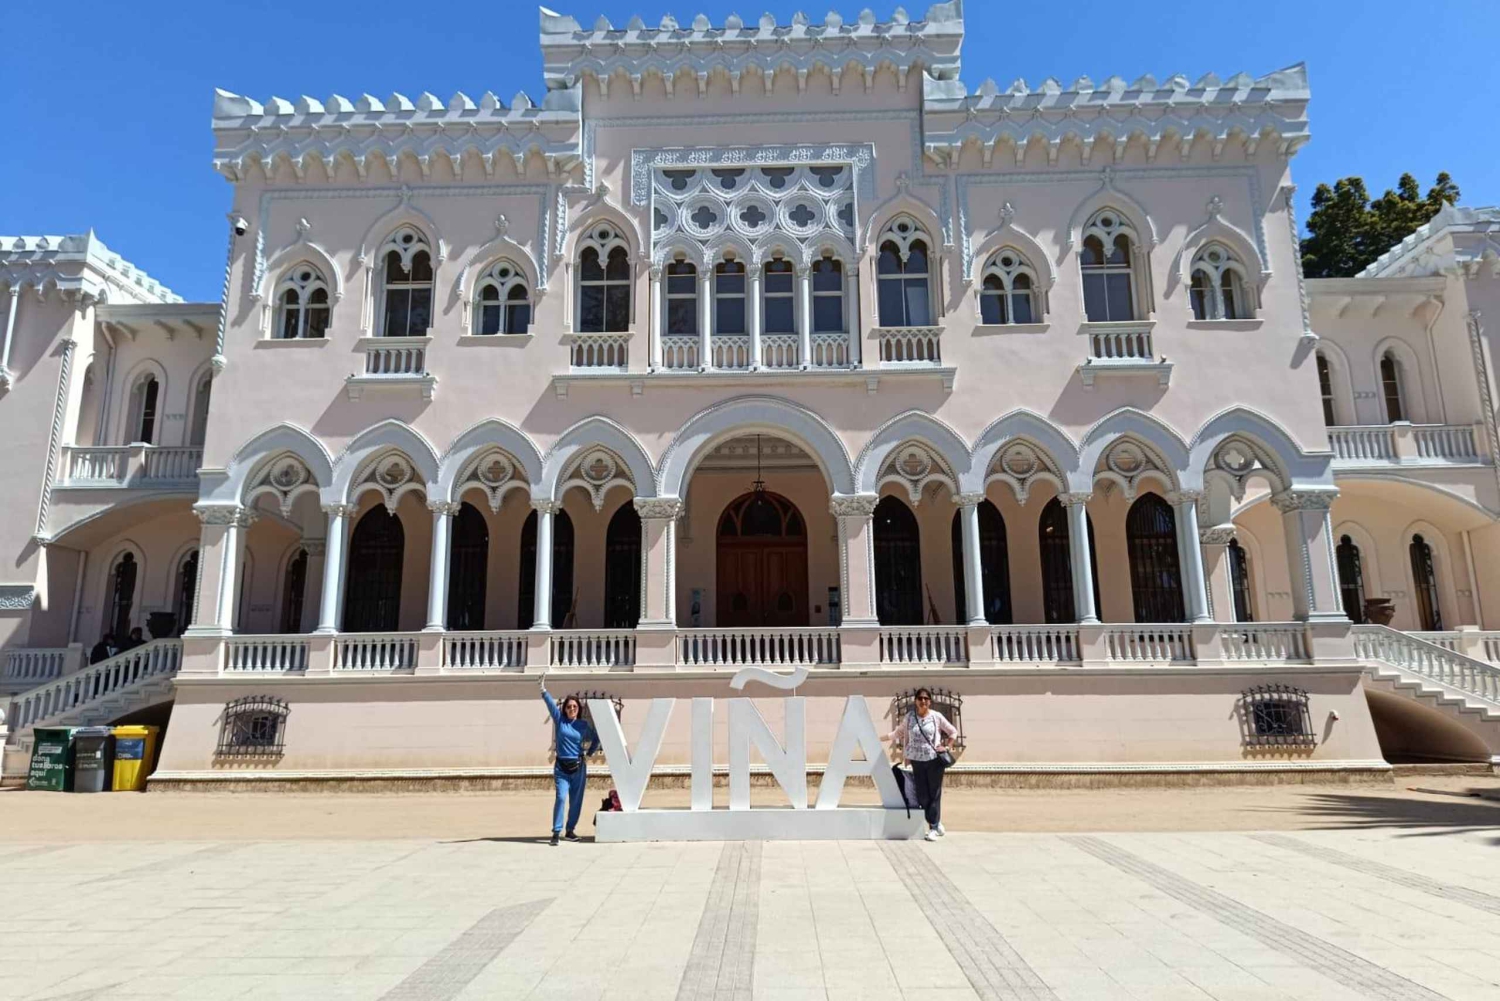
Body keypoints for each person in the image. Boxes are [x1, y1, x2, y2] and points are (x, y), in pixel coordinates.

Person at [883, 687, 957, 841]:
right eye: (920, 698)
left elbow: (952, 732)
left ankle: (933, 827)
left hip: (934, 761)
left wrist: (947, 746)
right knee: (922, 795)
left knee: (934, 794)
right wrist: (880, 738)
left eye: (926, 698)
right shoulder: (910, 717)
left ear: (929, 701)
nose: (923, 701)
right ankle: (936, 821)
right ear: (915, 701)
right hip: (917, 761)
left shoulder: (936, 716)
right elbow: (898, 733)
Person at [539, 673, 599, 846]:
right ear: (565, 709)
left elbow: (596, 738)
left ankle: (570, 830)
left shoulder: (583, 726)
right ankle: (556, 833)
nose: (572, 709)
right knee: (561, 797)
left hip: (579, 767)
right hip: (561, 768)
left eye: (575, 707)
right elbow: (551, 706)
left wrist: (590, 752)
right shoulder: (560, 721)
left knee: (576, 801)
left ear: (578, 709)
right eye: (569, 707)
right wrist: (543, 690)